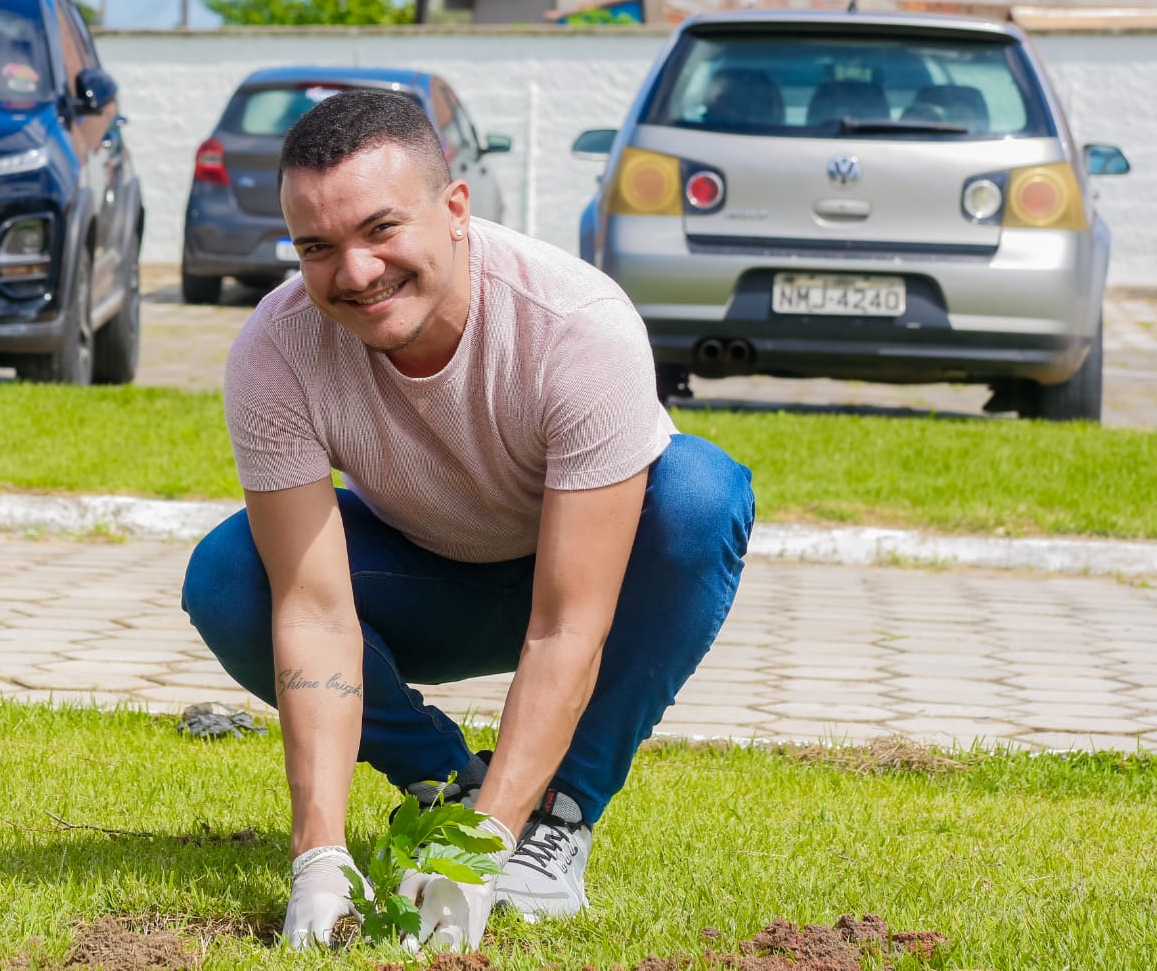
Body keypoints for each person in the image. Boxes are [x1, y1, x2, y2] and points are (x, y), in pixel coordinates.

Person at [181, 89, 754, 952]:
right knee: (232, 576)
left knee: (700, 496)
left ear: (455, 209)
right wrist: (318, 850)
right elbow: (314, 610)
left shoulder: (577, 326)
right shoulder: (277, 349)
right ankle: (452, 789)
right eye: (318, 248)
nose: (355, 272)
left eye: (381, 230)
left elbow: (569, 626)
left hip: (589, 580)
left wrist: (484, 852)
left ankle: (552, 822)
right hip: (428, 578)